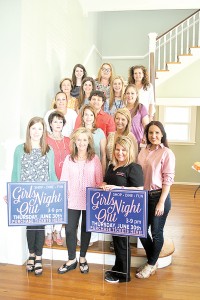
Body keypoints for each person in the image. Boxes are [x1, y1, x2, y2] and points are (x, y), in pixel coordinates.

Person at [11, 117, 58, 276]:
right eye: (33, 128)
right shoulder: (20, 149)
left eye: (39, 129)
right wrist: (12, 194)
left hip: (43, 195)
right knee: (30, 226)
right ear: (28, 130)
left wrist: (58, 192)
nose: (36, 132)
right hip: (26, 195)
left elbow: (51, 174)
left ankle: (39, 257)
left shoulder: (48, 150)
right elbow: (16, 173)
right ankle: (31, 254)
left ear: (43, 131)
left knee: (40, 227)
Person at [58, 127, 103, 275]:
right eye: (79, 140)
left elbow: (99, 181)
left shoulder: (95, 159)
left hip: (89, 200)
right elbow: (63, 180)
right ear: (75, 142)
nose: (82, 143)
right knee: (70, 229)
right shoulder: (68, 159)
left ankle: (82, 257)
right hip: (72, 199)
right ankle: (72, 259)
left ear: (89, 141)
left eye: (85, 140)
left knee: (86, 229)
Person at [100, 136, 144, 283]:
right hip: (112, 211)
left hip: (125, 212)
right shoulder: (112, 166)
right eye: (117, 149)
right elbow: (107, 180)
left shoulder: (133, 167)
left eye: (123, 150)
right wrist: (104, 183)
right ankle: (118, 268)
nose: (120, 153)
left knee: (122, 243)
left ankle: (124, 275)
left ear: (129, 150)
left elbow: (139, 190)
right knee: (117, 241)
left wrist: (118, 188)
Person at [136, 121, 175, 279]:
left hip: (159, 196)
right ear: (146, 134)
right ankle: (153, 260)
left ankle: (151, 264)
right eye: (151, 133)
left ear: (162, 134)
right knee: (140, 230)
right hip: (143, 196)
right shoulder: (142, 151)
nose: (154, 136)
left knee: (156, 233)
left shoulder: (167, 153)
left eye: (157, 133)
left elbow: (168, 179)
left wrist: (161, 202)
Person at [76, 105, 106, 246]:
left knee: (91, 206)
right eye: (85, 114)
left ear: (94, 117)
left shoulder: (99, 132)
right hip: (79, 174)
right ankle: (80, 236)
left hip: (95, 173)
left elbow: (103, 154)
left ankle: (91, 237)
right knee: (80, 204)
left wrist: (103, 173)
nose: (88, 117)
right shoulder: (77, 132)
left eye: (91, 115)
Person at [45, 111, 70, 247]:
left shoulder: (68, 140)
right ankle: (48, 232)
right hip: (50, 178)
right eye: (55, 121)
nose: (58, 124)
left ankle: (58, 230)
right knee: (50, 205)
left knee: (62, 205)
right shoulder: (45, 140)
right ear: (50, 123)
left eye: (60, 121)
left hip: (65, 178)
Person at [124, 84, 149, 149]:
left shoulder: (141, 107)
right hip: (125, 143)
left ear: (136, 95)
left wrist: (145, 137)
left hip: (138, 142)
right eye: (128, 93)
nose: (130, 95)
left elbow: (146, 125)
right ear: (125, 95)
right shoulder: (123, 109)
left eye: (132, 93)